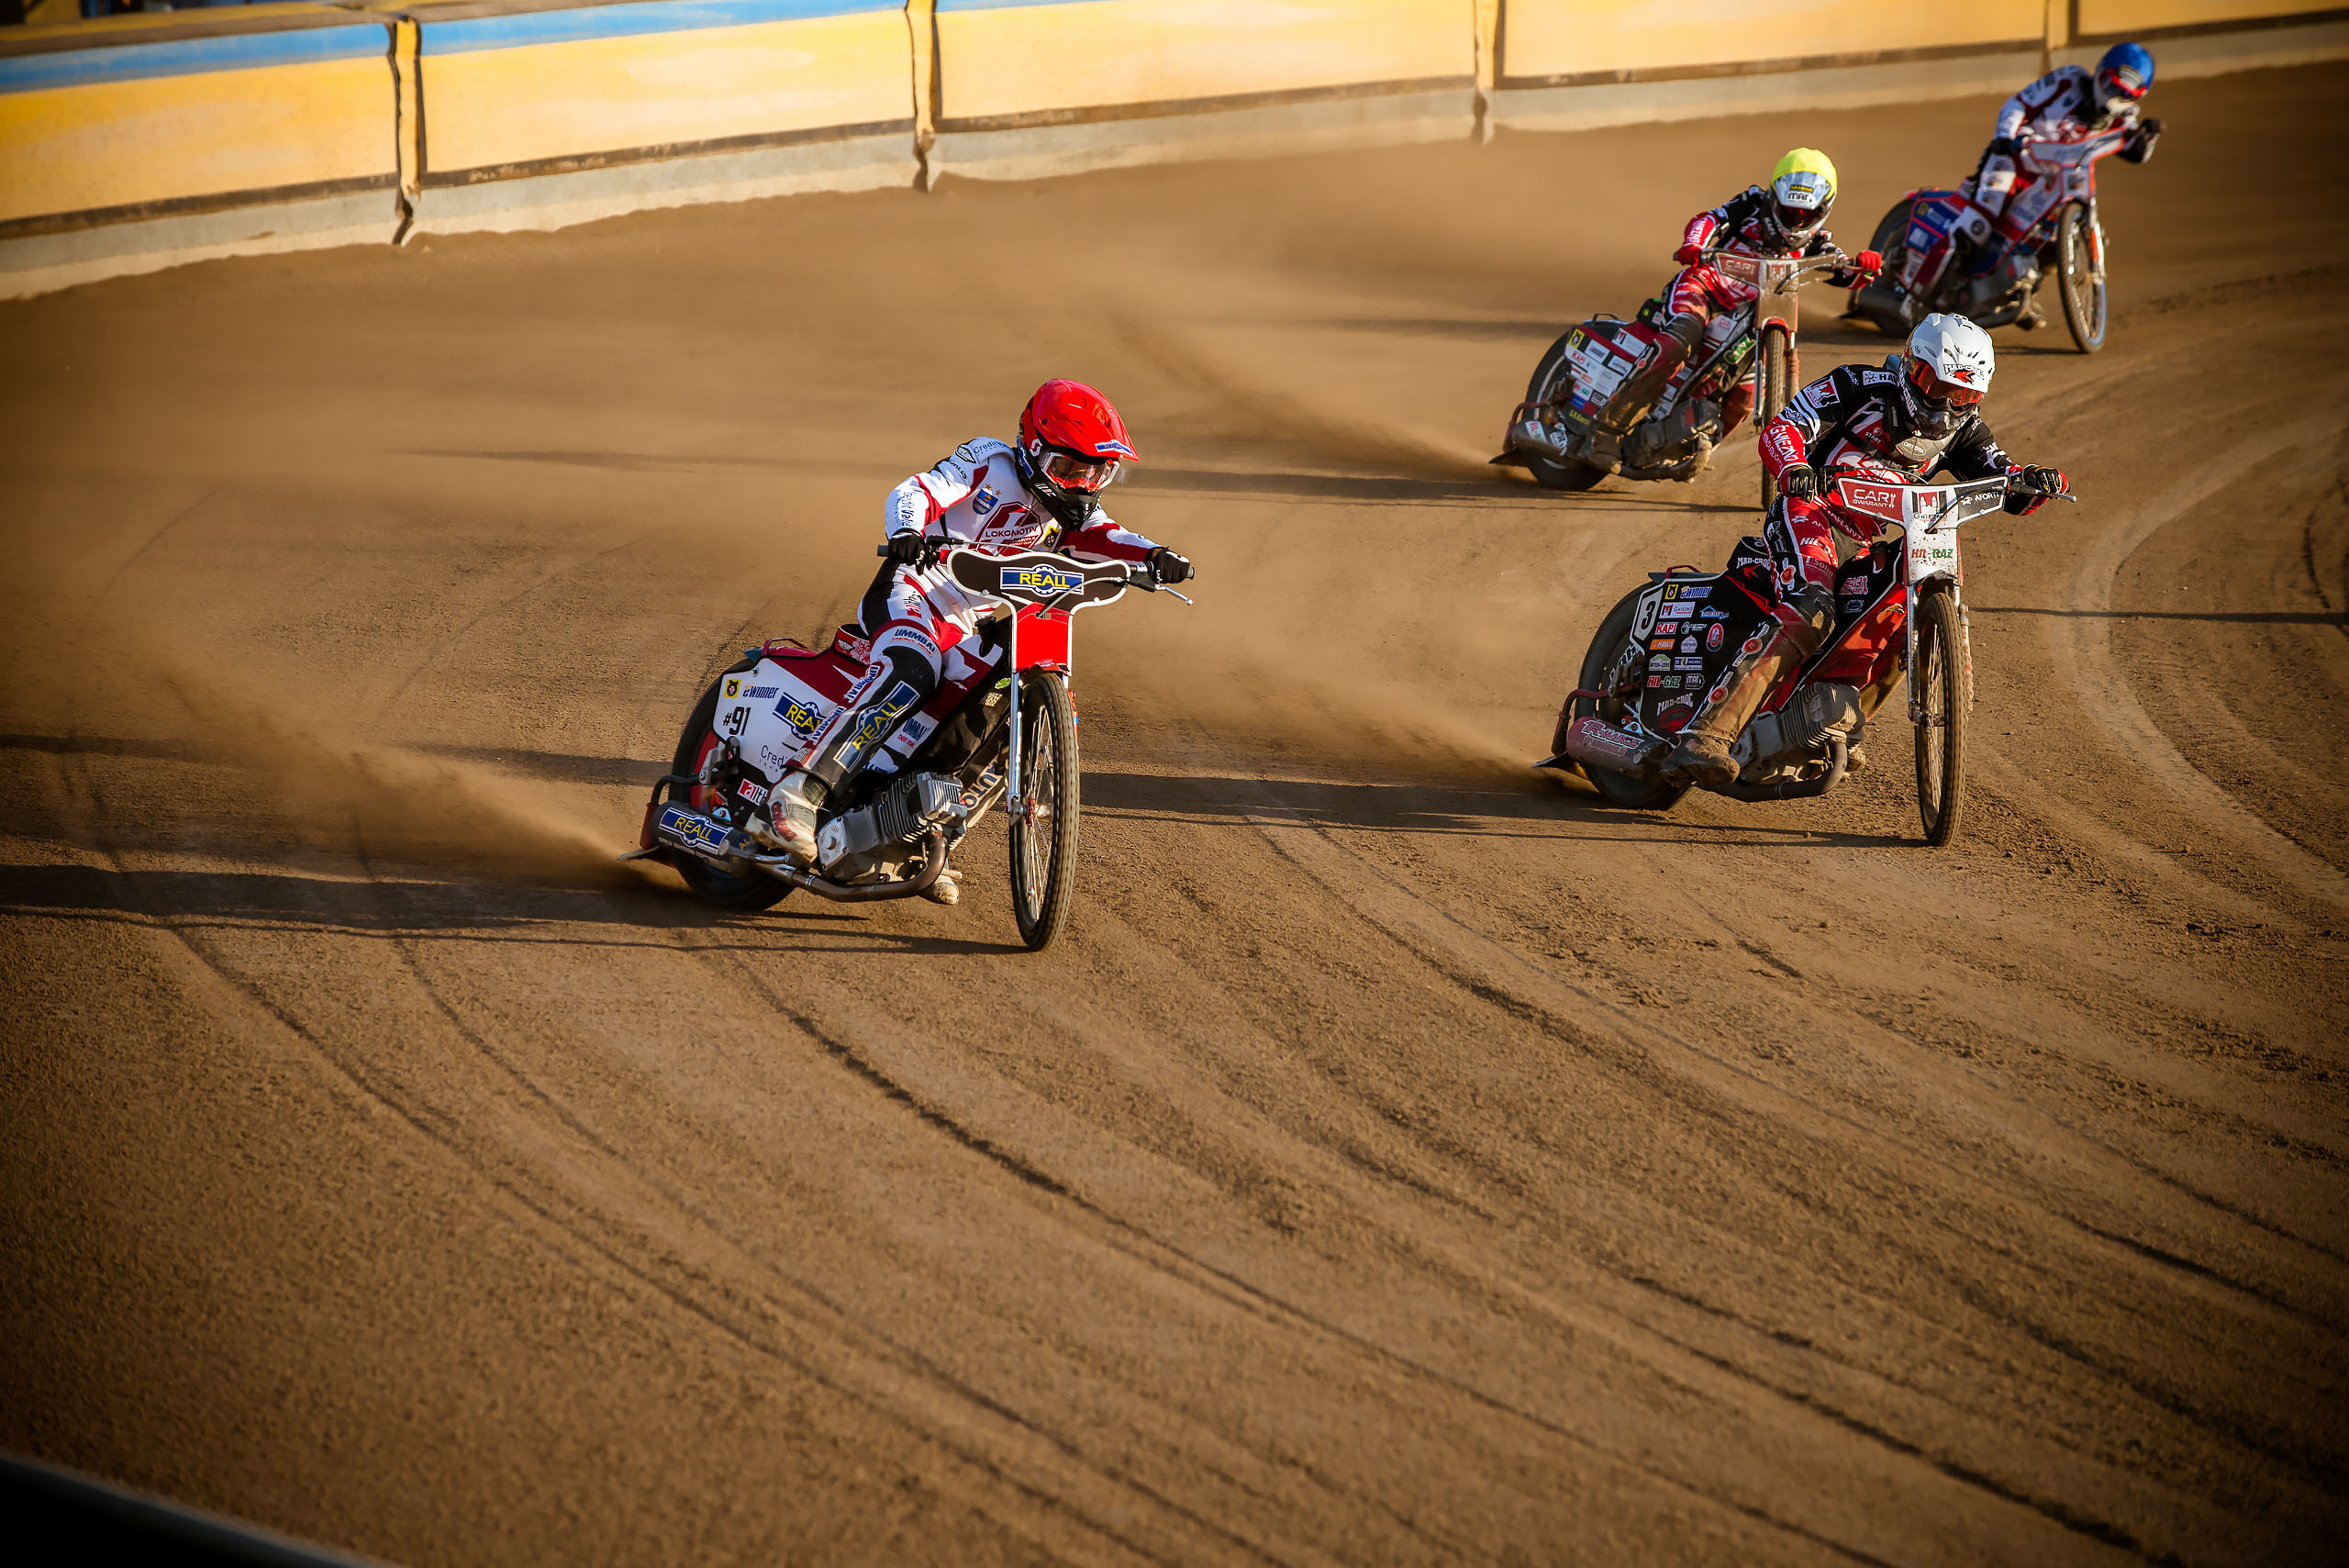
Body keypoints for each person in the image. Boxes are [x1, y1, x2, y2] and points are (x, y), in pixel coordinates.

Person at [760, 379, 1193, 892]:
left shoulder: (1074, 504)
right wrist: (906, 532)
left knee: (1001, 710)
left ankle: (918, 836)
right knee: (911, 672)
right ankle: (800, 793)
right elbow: (917, 490)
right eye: (1070, 469)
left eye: (1100, 472)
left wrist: (1154, 556)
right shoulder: (990, 460)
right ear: (1034, 450)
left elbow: (1107, 536)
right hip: (915, 590)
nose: (1083, 483)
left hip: (972, 621)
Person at [1660, 313, 2068, 785]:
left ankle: (1833, 725)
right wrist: (1793, 466)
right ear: (1913, 367)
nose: (1945, 406)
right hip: (1811, 512)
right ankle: (1706, 736)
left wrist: (2031, 482)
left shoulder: (1964, 430)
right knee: (1812, 606)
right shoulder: (1857, 385)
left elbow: (2000, 472)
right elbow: (1784, 426)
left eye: (1963, 397)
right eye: (1936, 386)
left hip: (1867, 542)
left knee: (1899, 617)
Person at [1586, 149, 1878, 470]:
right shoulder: (1751, 203)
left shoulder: (1817, 243)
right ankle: (1606, 431)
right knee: (1679, 340)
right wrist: (1694, 245)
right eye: (1787, 210)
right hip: (1705, 286)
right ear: (1774, 195)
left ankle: (1687, 446)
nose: (1795, 221)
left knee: (1745, 398)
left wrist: (1864, 267)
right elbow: (1709, 219)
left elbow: (1843, 272)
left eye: (1804, 215)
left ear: (1823, 210)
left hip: (1757, 317)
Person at [1964, 42, 2163, 228]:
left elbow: (2135, 151)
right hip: (2017, 160)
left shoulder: (2125, 117)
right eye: (2110, 86)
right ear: (2100, 71)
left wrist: (2148, 137)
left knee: (2054, 249)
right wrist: (2005, 137)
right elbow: (2019, 104)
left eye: (2125, 95)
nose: (2113, 99)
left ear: (2137, 98)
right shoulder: (2068, 79)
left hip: (2060, 182)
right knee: (1976, 227)